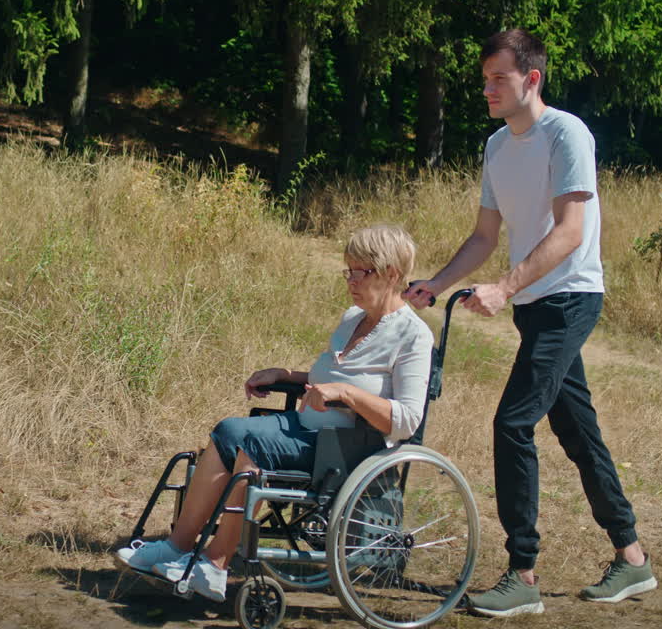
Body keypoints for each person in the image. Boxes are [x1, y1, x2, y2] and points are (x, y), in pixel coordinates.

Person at [404, 28, 656, 618]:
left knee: (513, 423)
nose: (487, 87)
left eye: (499, 78)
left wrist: (504, 287)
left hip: (570, 299)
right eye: (485, 77)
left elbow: (570, 231)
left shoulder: (566, 134)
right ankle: (634, 559)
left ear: (531, 79)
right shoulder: (497, 145)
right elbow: (484, 235)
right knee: (577, 433)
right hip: (535, 307)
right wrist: (438, 283)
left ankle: (522, 573)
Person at [115, 224, 434, 602]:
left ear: (392, 274)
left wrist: (347, 394)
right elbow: (329, 377)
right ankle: (178, 546)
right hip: (306, 429)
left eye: (360, 272)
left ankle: (216, 564)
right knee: (229, 432)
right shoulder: (354, 317)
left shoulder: (413, 336)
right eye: (348, 271)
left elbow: (408, 419)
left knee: (253, 443)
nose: (350, 280)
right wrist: (286, 375)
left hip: (346, 449)